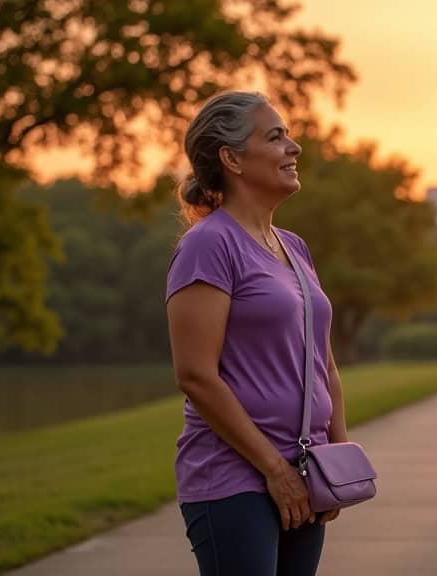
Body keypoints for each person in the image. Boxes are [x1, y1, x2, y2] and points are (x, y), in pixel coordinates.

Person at [165, 90, 347, 576]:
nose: (294, 147)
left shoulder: (293, 247)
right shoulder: (208, 245)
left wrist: (335, 458)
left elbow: (324, 366)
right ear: (232, 159)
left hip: (304, 470)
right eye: (275, 137)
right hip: (235, 480)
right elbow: (196, 375)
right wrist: (273, 470)